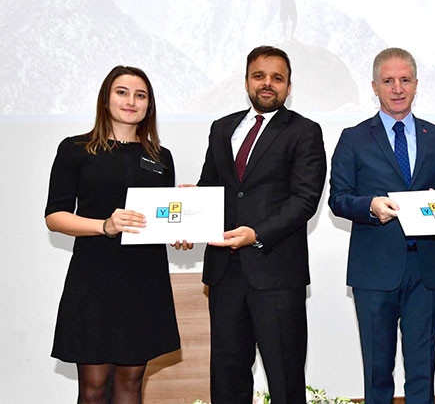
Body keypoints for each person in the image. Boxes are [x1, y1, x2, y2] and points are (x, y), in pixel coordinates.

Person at [329, 47, 435, 403]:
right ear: (374, 87)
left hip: (426, 270)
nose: (398, 88)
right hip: (374, 272)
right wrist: (371, 207)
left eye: (405, 80)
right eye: (388, 81)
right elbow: (338, 198)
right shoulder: (353, 138)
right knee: (377, 374)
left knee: (422, 374)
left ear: (416, 84)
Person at [196, 45, 326, 403]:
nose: (267, 83)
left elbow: (305, 199)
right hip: (224, 274)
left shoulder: (304, 131)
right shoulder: (221, 128)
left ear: (288, 86)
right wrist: (190, 217)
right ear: (246, 81)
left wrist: (257, 235)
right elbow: (211, 188)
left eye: (277, 78)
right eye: (259, 76)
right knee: (227, 376)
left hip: (277, 273)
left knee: (284, 378)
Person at [44, 66, 180, 404]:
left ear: (149, 105)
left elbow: (161, 218)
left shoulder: (160, 157)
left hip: (144, 280)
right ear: (106, 99)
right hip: (95, 278)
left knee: (131, 384)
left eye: (140, 95)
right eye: (122, 92)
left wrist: (181, 231)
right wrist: (104, 225)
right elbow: (55, 217)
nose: (131, 101)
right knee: (93, 388)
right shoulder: (76, 149)